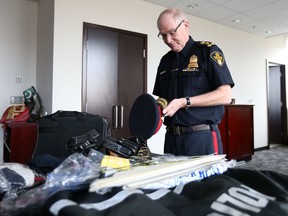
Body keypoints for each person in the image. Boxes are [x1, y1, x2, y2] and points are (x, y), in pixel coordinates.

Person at [153, 8, 235, 156]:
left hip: (201, 138)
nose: (168, 40)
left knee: (209, 180)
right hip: (171, 139)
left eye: (172, 33)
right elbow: (162, 99)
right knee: (174, 180)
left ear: (185, 25)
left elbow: (225, 96)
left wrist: (185, 102)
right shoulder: (165, 61)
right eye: (163, 35)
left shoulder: (207, 52)